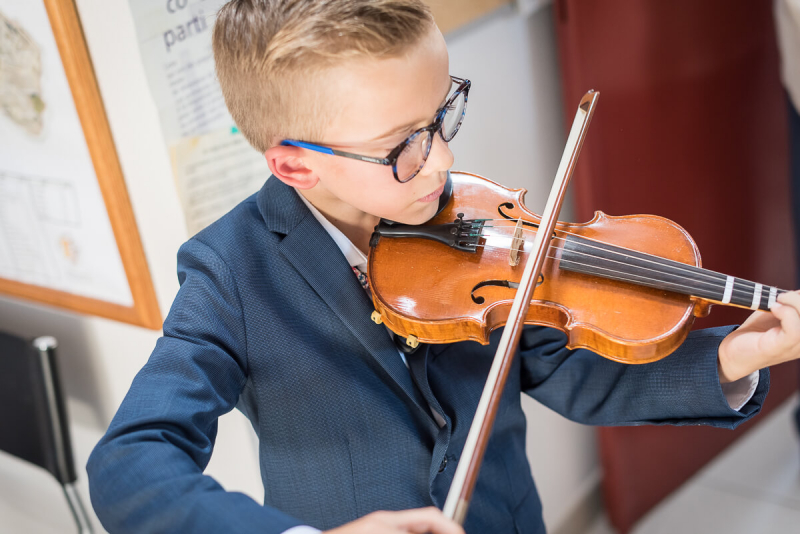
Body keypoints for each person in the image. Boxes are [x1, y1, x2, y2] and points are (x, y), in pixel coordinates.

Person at [86, 2, 800, 533]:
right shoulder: (229, 273)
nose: (445, 161)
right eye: (404, 145)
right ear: (295, 163)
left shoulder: (477, 220)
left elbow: (565, 368)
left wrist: (736, 353)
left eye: (442, 115)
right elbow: (130, 466)